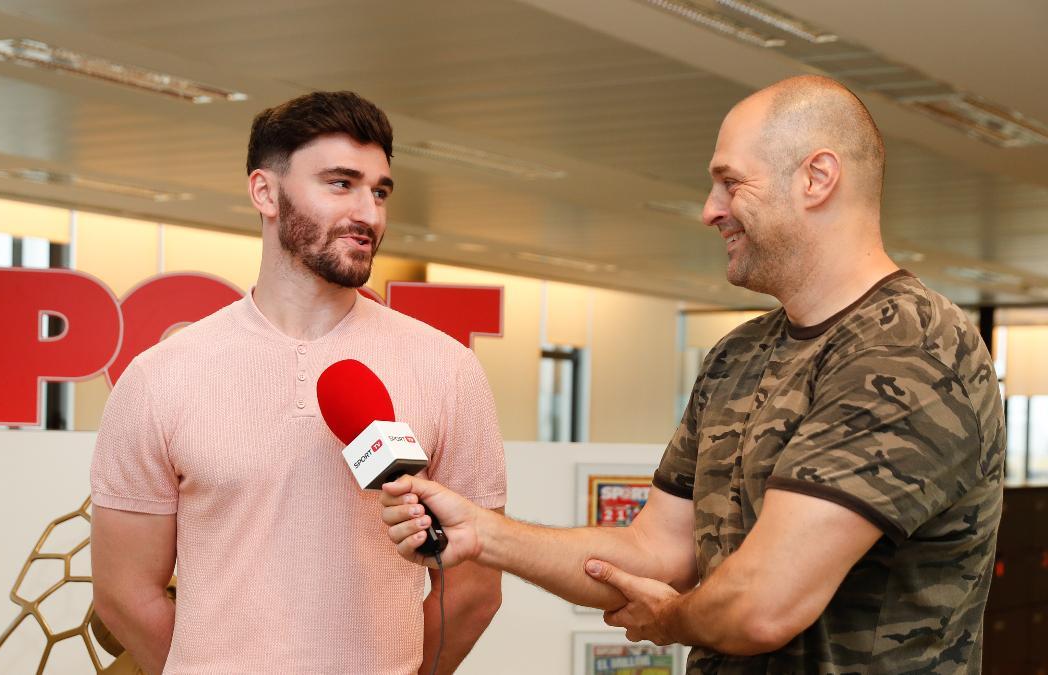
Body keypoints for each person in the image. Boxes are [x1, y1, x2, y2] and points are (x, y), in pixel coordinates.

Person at [381, 75, 1004, 673]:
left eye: (731, 183)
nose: (711, 211)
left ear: (817, 178)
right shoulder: (739, 354)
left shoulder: (911, 346)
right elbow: (657, 553)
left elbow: (765, 604)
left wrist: (670, 619)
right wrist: (483, 533)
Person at [90, 91, 506, 675]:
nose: (368, 213)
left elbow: (472, 589)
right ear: (266, 192)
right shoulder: (161, 376)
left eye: (379, 190)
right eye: (341, 183)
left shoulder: (447, 368)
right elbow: (124, 592)